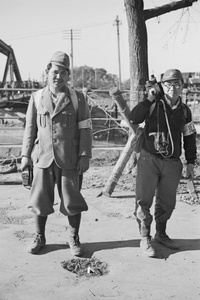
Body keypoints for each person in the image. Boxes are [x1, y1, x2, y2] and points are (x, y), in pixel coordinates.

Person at [21, 51, 92, 257]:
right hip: (42, 158)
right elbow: (30, 128)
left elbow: (85, 128)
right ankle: (39, 236)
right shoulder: (36, 98)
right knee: (40, 200)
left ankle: (73, 237)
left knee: (72, 201)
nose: (58, 76)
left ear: (68, 76)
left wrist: (85, 155)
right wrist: (25, 156)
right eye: (54, 72)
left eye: (62, 73)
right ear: (47, 72)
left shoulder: (77, 98)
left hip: (69, 159)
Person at [129, 69, 196, 257]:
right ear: (161, 86)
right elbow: (134, 117)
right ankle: (145, 236)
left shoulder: (184, 110)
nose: (173, 88)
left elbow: (189, 136)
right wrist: (149, 98)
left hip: (172, 162)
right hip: (149, 158)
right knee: (144, 199)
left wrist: (191, 162)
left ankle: (161, 233)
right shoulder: (153, 105)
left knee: (167, 201)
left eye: (177, 84)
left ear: (182, 86)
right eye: (168, 84)